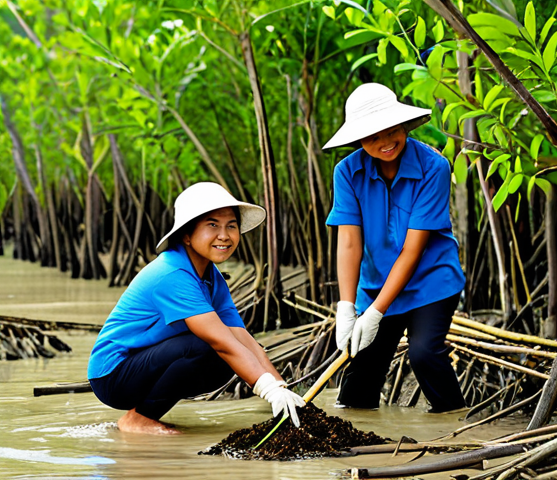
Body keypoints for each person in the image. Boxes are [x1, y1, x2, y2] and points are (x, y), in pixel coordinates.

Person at [87, 182, 304, 434]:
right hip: (113, 375)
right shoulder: (172, 272)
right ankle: (139, 419)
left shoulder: (211, 277)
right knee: (207, 346)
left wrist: (280, 389)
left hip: (144, 364)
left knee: (227, 357)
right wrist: (266, 389)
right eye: (212, 225)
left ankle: (143, 414)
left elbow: (243, 338)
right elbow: (220, 340)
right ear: (186, 235)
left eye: (231, 226)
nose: (224, 235)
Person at [323, 83, 467, 413]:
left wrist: (376, 313)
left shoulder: (434, 167)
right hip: (374, 284)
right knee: (360, 370)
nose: (385, 143)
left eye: (392, 131)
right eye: (373, 137)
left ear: (403, 126)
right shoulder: (346, 173)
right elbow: (349, 242)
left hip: (431, 281)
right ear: (358, 139)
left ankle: (457, 427)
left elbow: (413, 250)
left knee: (424, 354)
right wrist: (347, 307)